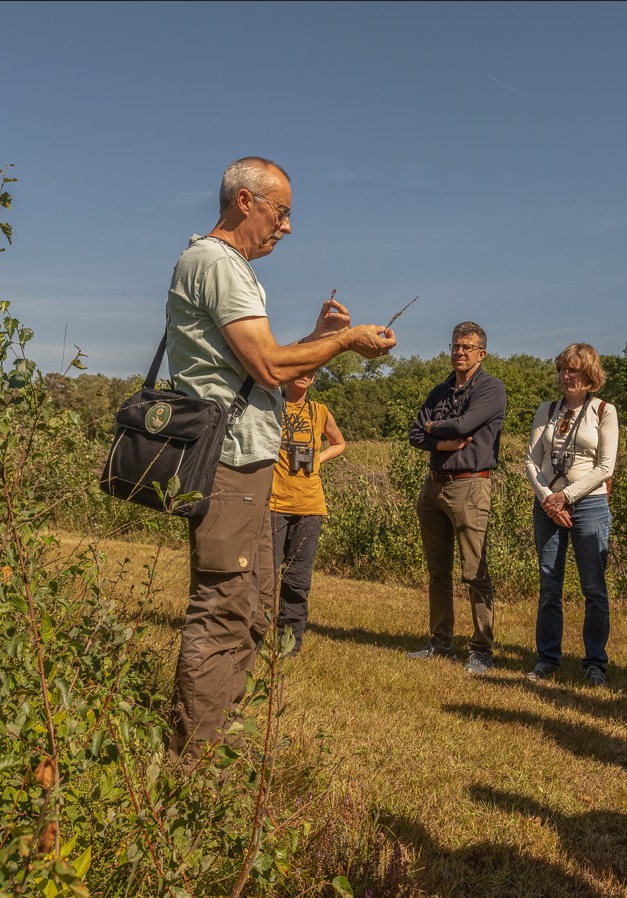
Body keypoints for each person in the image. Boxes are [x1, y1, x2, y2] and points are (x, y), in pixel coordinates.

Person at [165, 156, 395, 761]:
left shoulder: (226, 267)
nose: (287, 226)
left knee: (255, 600)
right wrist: (343, 341)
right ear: (246, 201)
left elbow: (262, 366)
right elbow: (268, 367)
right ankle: (198, 760)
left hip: (247, 462)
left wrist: (319, 338)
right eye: (282, 211)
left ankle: (224, 734)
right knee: (224, 604)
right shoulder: (217, 263)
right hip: (228, 464)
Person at [407, 322, 507, 675]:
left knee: (474, 571)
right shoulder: (440, 390)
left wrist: (435, 428)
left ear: (482, 353)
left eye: (467, 347)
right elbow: (414, 432)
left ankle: (481, 648)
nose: (459, 353)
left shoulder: (491, 389)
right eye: (455, 346)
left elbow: (466, 425)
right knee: (437, 571)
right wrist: (438, 439)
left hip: (470, 485)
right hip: (433, 486)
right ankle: (440, 641)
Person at [523, 343, 619, 687]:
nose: (566, 376)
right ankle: (547, 657)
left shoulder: (604, 411)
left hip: (589, 504)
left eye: (573, 370)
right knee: (550, 584)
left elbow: (605, 466)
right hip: (548, 503)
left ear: (589, 374)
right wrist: (549, 498)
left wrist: (566, 496)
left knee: (593, 587)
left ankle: (595, 662)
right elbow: (532, 461)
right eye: (563, 369)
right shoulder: (547, 410)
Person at [270, 370, 345, 657]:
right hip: (273, 503)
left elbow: (338, 443)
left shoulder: (320, 411)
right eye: (299, 370)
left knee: (297, 580)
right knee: (266, 576)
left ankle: (288, 645)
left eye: (310, 372)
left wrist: (318, 458)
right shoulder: (271, 405)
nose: (304, 376)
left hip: (310, 506)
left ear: (314, 379)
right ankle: (251, 637)